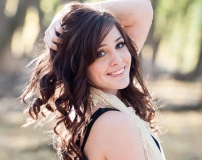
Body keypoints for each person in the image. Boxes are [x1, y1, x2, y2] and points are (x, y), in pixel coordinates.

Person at [21, 0, 166, 160]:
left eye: (119, 45)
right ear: (78, 65)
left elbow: (142, 10)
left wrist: (69, 14)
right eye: (100, 53)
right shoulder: (116, 124)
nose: (117, 60)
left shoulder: (86, 110)